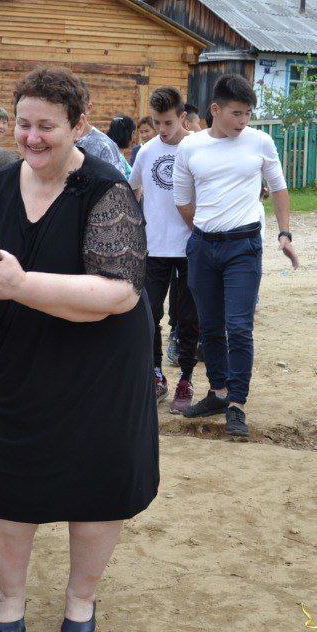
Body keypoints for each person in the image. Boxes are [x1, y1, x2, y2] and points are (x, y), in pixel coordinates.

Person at [0, 65, 158, 632]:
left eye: (47, 125)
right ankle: (11, 597)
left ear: (79, 126)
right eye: (23, 124)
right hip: (16, 363)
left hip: (99, 368)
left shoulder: (105, 190)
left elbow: (120, 292)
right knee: (8, 481)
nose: (32, 137)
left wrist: (19, 285)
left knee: (94, 484)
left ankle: (80, 600)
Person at [172, 75, 298, 436]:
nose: (244, 122)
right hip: (203, 246)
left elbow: (279, 188)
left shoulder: (259, 141)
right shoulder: (191, 147)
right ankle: (218, 391)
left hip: (244, 247)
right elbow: (182, 200)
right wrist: (206, 229)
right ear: (216, 110)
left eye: (247, 114)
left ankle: (237, 404)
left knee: (239, 327)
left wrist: (285, 232)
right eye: (237, 113)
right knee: (208, 326)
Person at [131, 86, 200, 413]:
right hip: (154, 248)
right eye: (157, 122)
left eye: (168, 122)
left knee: (187, 318)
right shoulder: (146, 151)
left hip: (190, 248)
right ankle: (156, 374)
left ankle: (186, 377)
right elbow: (131, 191)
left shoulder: (199, 147)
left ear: (182, 117)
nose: (162, 130)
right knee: (149, 314)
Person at [74, 85, 132, 180]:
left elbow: (117, 187)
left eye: (76, 107)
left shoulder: (104, 146)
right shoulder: (56, 140)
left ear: (88, 108)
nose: (71, 112)